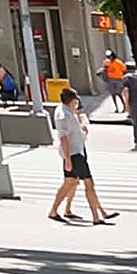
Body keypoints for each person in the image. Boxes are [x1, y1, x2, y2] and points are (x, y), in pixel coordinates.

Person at [47, 84, 113, 224]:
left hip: (76, 152)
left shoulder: (66, 111)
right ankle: (96, 216)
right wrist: (68, 160)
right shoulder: (64, 116)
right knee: (88, 183)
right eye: (75, 101)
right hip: (74, 154)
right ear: (71, 100)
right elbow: (63, 138)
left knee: (70, 183)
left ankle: (55, 211)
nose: (77, 103)